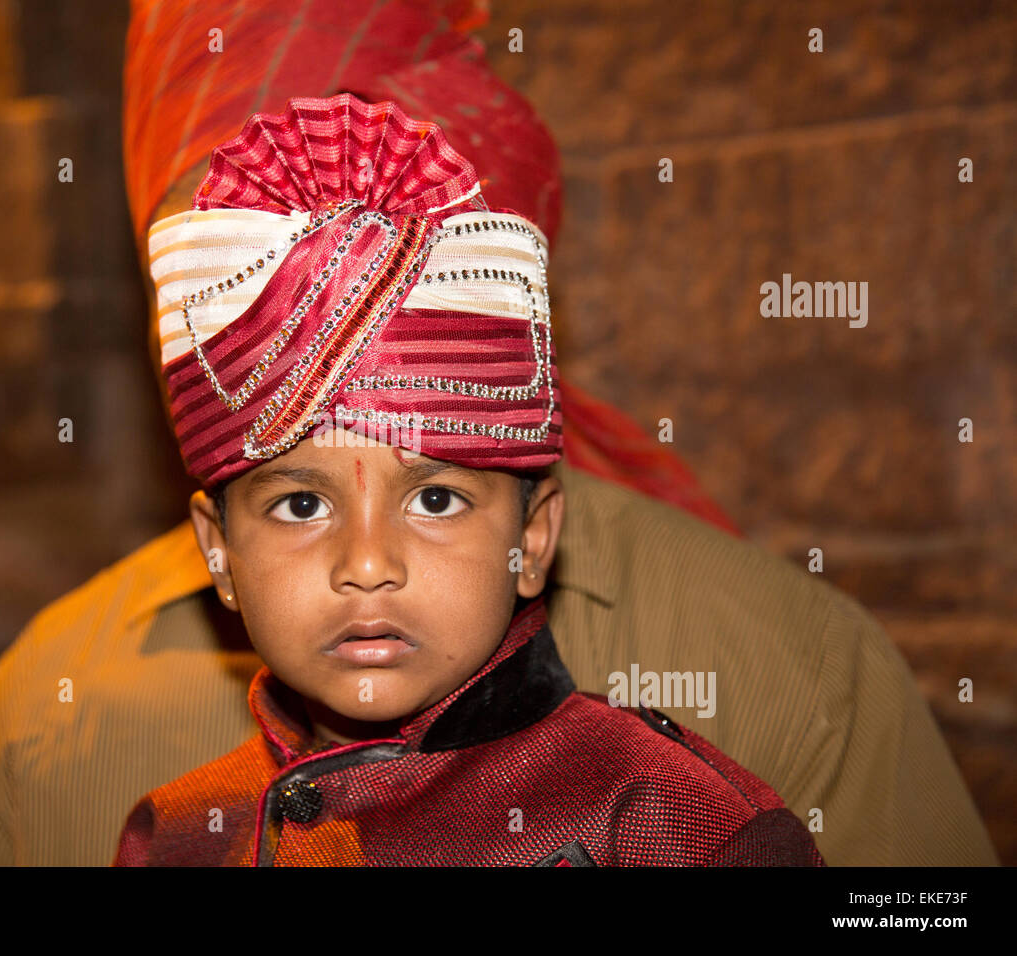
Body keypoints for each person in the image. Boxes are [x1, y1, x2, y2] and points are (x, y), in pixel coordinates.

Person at [0, 0, 997, 867]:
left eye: (436, 495)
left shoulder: (784, 687)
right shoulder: (38, 725)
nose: (368, 562)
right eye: (253, 262)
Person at [111, 91, 823, 866]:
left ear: (535, 537)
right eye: (303, 504)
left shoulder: (669, 820)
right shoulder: (179, 835)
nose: (368, 567)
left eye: (436, 498)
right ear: (218, 552)